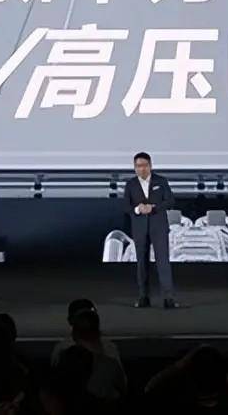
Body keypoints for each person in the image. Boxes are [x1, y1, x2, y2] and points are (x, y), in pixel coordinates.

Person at [124, 151, 177, 309]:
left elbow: (170, 201)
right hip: (139, 228)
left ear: (150, 166)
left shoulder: (161, 181)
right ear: (134, 167)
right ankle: (143, 297)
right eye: (138, 166)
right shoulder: (131, 184)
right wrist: (138, 209)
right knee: (142, 263)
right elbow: (126, 206)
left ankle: (168, 298)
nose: (142, 169)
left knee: (163, 262)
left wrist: (153, 208)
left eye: (145, 165)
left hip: (158, 227)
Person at [53, 309, 126, 403]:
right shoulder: (110, 363)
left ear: (74, 335)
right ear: (98, 333)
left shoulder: (63, 358)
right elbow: (123, 390)